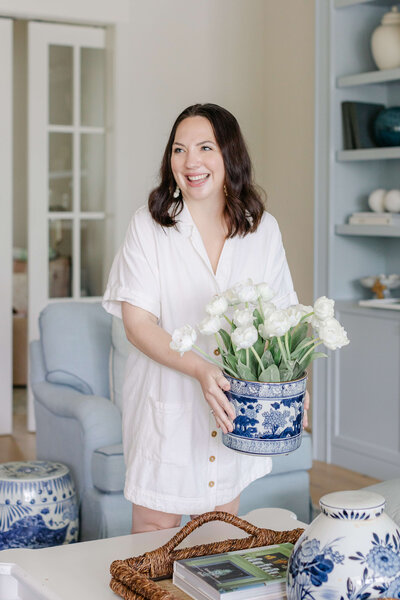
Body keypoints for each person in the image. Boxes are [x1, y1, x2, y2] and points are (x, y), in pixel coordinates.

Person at [102, 103, 307, 534]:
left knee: (218, 535)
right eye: (179, 149)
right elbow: (137, 324)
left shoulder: (261, 229)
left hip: (233, 409)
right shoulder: (149, 227)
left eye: (204, 147)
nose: (190, 161)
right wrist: (199, 369)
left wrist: (294, 385)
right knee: (153, 543)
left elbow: (282, 319)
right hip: (167, 404)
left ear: (229, 155)